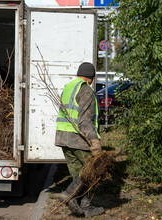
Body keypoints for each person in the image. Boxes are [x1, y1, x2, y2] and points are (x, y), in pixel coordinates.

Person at [55, 62, 105, 218]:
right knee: (92, 172)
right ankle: (72, 197)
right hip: (78, 139)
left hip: (63, 137)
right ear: (91, 78)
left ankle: (79, 206)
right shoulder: (86, 91)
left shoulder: (70, 86)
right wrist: (94, 140)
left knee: (78, 175)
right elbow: (84, 121)